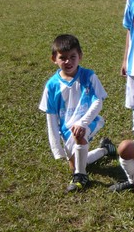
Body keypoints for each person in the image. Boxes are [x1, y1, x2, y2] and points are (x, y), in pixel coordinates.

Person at [39, 34, 117, 193]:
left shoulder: (89, 76)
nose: (68, 61)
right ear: (54, 59)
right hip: (66, 130)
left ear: (80, 56)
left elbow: (98, 102)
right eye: (63, 57)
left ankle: (81, 176)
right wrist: (56, 147)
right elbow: (51, 119)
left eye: (72, 57)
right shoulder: (52, 86)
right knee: (76, 163)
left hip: (89, 121)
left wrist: (83, 122)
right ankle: (105, 149)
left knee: (79, 139)